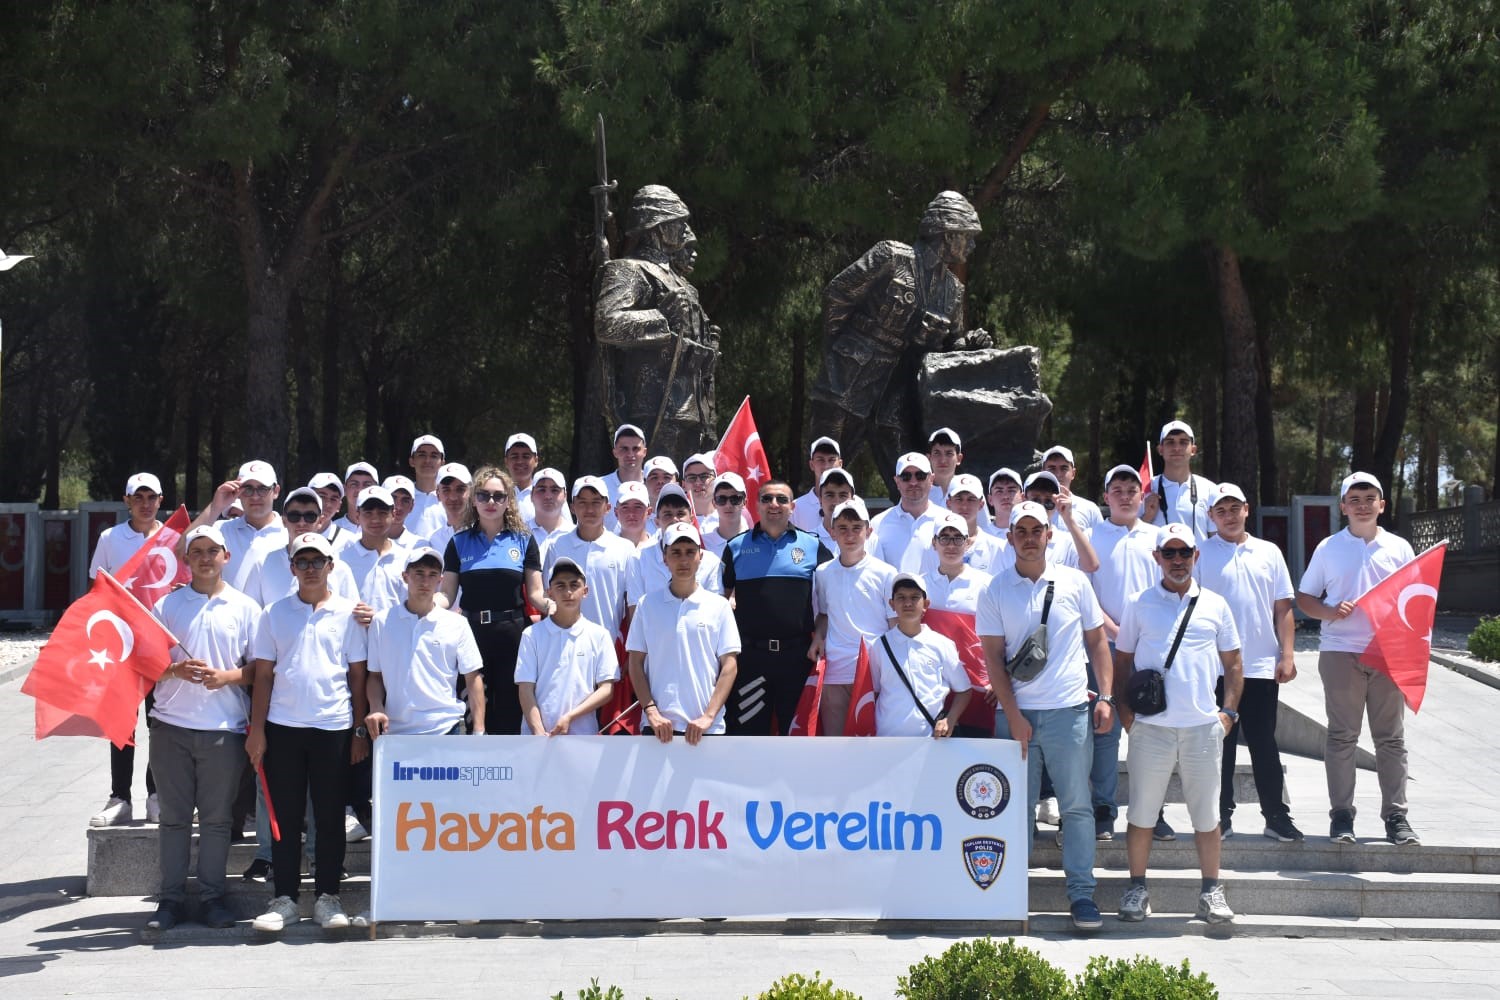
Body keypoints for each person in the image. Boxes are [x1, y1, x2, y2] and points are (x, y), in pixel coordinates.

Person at [979, 501, 1114, 932]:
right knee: (1014, 809)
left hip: (1070, 710)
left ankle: (1081, 895)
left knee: (1076, 806)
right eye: (1022, 531)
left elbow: (1098, 644)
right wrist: (1014, 715)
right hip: (1015, 716)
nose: (1031, 537)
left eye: (1038, 529)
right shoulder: (994, 589)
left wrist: (1105, 695)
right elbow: (994, 661)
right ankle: (1012, 892)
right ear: (1010, 537)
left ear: (1049, 535)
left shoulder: (1074, 582)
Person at [1112, 524, 1244, 925]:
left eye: (1184, 552)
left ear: (1195, 556)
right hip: (1150, 728)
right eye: (1168, 553)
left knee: (1207, 816)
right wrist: (1126, 717)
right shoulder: (1139, 603)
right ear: (1156, 558)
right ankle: (1137, 888)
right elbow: (1122, 662)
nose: (1177, 561)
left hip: (1203, 728)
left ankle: (1210, 892)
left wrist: (1229, 714)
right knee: (1142, 814)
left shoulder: (1217, 605)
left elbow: (1234, 663)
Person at [809, 191, 990, 476]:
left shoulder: (953, 289)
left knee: (909, 476)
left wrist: (966, 343)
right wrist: (838, 352)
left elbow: (948, 343)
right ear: (946, 233)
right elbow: (838, 294)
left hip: (897, 392)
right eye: (967, 236)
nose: (971, 245)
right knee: (823, 468)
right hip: (849, 377)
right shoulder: (891, 256)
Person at [246, 533, 369, 933]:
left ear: (331, 566)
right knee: (286, 815)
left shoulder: (349, 612)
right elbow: (263, 675)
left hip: (333, 727)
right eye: (303, 561)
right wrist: (258, 730)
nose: (311, 568)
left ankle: (327, 897)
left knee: (331, 817)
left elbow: (357, 677)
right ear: (292, 567)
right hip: (283, 728)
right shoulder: (274, 613)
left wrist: (357, 731)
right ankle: (283, 898)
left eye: (318, 561)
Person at [146, 524, 261, 930]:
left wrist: (228, 677)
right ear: (186, 559)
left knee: (216, 821)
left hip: (223, 730)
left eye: (214, 550)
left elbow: (259, 670)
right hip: (171, 727)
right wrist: (175, 669)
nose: (206, 557)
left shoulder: (246, 608)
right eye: (198, 551)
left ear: (226, 557)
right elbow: (146, 667)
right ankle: (170, 901)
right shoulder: (166, 607)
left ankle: (213, 898)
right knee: (174, 819)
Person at [1295, 472, 1419, 846]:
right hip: (1340, 652)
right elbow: (1305, 598)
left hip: (1388, 651)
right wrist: (1330, 612)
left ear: (1382, 505)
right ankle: (1342, 816)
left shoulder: (1400, 548)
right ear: (1344, 507)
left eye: (1370, 498)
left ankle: (1396, 817)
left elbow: (1415, 598)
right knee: (1342, 736)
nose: (1363, 505)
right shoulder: (1329, 547)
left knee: (1391, 739)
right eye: (1355, 498)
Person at [1199, 482, 1303, 842]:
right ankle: (1220, 815)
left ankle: (1276, 815)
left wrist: (1287, 654)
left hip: (1259, 666)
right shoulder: (1198, 553)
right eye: (1220, 510)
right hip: (1214, 668)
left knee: (1263, 742)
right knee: (1219, 744)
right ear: (1211, 516)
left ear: (1247, 509)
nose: (1228, 516)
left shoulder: (1269, 552)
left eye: (1234, 508)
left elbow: (1283, 608)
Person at [595, 186, 721, 462]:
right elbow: (607, 323)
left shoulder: (684, 283)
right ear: (657, 227)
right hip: (654, 402)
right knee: (655, 483)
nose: (684, 229)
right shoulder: (629, 269)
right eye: (678, 222)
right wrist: (661, 318)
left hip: (693, 404)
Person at [1088, 463, 1168, 842]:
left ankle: (1155, 811)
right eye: (1116, 489)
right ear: (1106, 497)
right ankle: (1103, 808)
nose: (1124, 495)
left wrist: (1139, 634)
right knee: (1105, 733)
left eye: (1131, 489)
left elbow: (1168, 592)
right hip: (1103, 651)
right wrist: (1117, 630)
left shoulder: (1159, 538)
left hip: (1149, 651)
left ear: (1143, 496)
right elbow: (1085, 594)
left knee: (1152, 733)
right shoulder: (1091, 537)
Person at [437, 467, 547, 737]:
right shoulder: (458, 542)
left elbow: (535, 594)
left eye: (499, 496)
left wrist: (552, 607)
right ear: (473, 499)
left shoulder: (523, 540)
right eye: (484, 495)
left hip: (513, 634)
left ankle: (508, 777)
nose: (490, 502)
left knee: (510, 713)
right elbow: (447, 595)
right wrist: (423, 604)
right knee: (475, 716)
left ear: (508, 501)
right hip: (471, 635)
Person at [720, 479, 832, 735]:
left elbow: (831, 600)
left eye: (782, 499)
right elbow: (721, 604)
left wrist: (820, 635)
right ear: (756, 505)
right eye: (767, 498)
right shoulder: (735, 547)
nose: (774, 504)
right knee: (748, 735)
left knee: (796, 738)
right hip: (750, 659)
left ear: (792, 506)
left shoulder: (811, 545)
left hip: (797, 658)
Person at [87, 471, 165, 828]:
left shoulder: (173, 538)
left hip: (160, 646)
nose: (146, 504)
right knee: (122, 724)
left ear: (161, 501)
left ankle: (156, 793)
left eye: (152, 498)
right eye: (139, 497)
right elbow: (97, 590)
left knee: (159, 722)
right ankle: (120, 796)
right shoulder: (110, 537)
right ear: (127, 501)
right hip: (121, 645)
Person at [627, 523, 740, 744]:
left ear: (700, 556)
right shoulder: (646, 605)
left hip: (707, 729)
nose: (684, 560)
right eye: (675, 553)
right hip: (658, 728)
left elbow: (729, 665)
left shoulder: (719, 606)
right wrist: (651, 712)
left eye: (690, 552)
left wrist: (708, 717)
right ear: (664, 558)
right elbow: (635, 663)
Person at [365, 547, 486, 739]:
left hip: (446, 728)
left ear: (440, 580)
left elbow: (473, 678)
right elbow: (375, 676)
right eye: (418, 573)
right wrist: (376, 707)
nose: (425, 581)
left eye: (432, 575)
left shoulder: (457, 623)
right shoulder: (381, 622)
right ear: (405, 577)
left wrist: (479, 730)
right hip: (395, 731)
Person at [811, 499, 898, 735]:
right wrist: (818, 637)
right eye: (843, 528)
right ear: (832, 532)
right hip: (835, 673)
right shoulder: (822, 573)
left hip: (874, 673)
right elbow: (824, 615)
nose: (850, 535)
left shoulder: (887, 573)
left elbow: (894, 626)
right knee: (837, 746)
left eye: (857, 528)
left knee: (873, 745)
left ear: (868, 531)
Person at [516, 558, 619, 736]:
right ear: (549, 593)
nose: (568, 592)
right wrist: (538, 731)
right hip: (536, 737)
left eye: (574, 585)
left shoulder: (599, 635)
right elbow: (525, 688)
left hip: (582, 735)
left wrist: (570, 717)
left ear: (585, 591)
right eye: (560, 586)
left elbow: (606, 689)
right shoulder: (531, 635)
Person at [873, 573, 970, 737]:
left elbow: (964, 690)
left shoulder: (942, 644)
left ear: (926, 604)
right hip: (886, 739)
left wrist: (950, 720)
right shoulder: (879, 645)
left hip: (931, 740)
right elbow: (874, 692)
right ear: (891, 604)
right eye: (901, 597)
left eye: (915, 597)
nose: (908, 603)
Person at [542, 476, 638, 644]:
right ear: (572, 507)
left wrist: (631, 650)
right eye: (582, 502)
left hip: (609, 645)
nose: (589, 509)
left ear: (607, 507)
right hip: (562, 643)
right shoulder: (556, 546)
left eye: (596, 502)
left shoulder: (625, 548)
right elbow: (548, 596)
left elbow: (631, 604)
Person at [241, 488, 361, 607]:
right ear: (283, 521)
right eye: (294, 516)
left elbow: (353, 614)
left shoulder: (339, 568)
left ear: (321, 521)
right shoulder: (263, 564)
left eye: (310, 516)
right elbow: (250, 614)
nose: (302, 523)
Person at [187, 460, 288, 593]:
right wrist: (216, 507)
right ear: (238, 492)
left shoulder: (289, 532)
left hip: (276, 614)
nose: (255, 496)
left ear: (275, 491)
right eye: (248, 489)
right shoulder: (221, 530)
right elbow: (184, 546)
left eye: (263, 489)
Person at [627, 484, 724, 601]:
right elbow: (636, 611)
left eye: (680, 514)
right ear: (656, 521)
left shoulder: (711, 562)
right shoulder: (638, 559)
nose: (674, 519)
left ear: (692, 519)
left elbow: (715, 610)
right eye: (667, 514)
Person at [337, 485, 407, 622]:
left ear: (393, 514)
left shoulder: (407, 559)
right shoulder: (340, 560)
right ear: (357, 515)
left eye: (382, 513)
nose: (375, 520)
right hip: (353, 639)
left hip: (395, 640)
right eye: (368, 513)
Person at [1143, 420, 1216, 543]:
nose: (1176, 448)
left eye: (1183, 442)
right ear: (1160, 449)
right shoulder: (1146, 489)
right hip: (1156, 562)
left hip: (1199, 562)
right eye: (1170, 442)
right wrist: (1146, 517)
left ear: (1193, 450)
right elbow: (1132, 538)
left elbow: (1217, 540)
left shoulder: (1210, 490)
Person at [870, 452, 942, 573]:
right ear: (897, 481)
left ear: (931, 479)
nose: (913, 482)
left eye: (920, 476)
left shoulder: (947, 521)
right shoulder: (877, 524)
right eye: (906, 476)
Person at [1021, 471, 1099, 572]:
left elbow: (1091, 566)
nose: (1041, 507)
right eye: (1035, 500)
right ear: (1023, 499)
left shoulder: (1066, 542)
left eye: (1048, 502)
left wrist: (1068, 518)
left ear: (1056, 502)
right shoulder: (1013, 540)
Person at [1041, 446, 1103, 532]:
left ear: (1073, 473)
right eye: (1052, 468)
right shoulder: (1032, 507)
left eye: (1064, 468)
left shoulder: (1090, 509)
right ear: (1042, 472)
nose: (1058, 474)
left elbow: (1099, 544)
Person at [791, 437, 844, 534]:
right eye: (820, 460)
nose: (826, 466)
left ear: (840, 464)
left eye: (831, 460)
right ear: (811, 465)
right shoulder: (796, 507)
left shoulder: (856, 503)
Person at [601, 423, 647, 532]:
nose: (630, 454)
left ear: (644, 452)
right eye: (624, 449)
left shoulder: (655, 485)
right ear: (615, 452)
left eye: (636, 448)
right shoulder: (600, 486)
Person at [407, 434, 450, 538]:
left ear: (442, 463)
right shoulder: (401, 498)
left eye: (434, 456)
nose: (427, 460)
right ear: (412, 461)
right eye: (422, 455)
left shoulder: (452, 500)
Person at [429, 462, 473, 557]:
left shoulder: (484, 533)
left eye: (460, 489)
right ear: (438, 494)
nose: (453, 497)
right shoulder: (434, 540)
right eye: (446, 490)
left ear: (471, 492)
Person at [702, 472, 750, 558]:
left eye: (735, 499)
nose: (728, 505)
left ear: (745, 502)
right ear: (714, 503)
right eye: (721, 499)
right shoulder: (702, 544)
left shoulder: (756, 541)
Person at [527, 467, 572, 556]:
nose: (548, 496)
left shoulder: (576, 534)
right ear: (531, 495)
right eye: (541, 490)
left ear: (565, 496)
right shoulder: (518, 534)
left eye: (555, 490)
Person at [381, 475, 429, 549]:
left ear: (412, 506)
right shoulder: (362, 542)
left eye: (405, 500)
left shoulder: (419, 546)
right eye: (393, 498)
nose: (398, 506)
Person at [333, 462, 379, 535]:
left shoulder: (385, 529)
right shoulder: (332, 529)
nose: (360, 490)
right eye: (354, 484)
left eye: (367, 485)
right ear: (344, 489)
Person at [308, 473, 349, 548]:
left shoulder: (349, 542)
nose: (328, 504)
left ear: (339, 506)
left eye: (333, 499)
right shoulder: (286, 537)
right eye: (322, 496)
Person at [926, 428, 964, 505]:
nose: (943, 460)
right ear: (928, 458)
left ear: (959, 458)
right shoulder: (918, 491)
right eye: (937, 453)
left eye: (949, 453)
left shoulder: (971, 489)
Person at [981, 468, 1023, 538]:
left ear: (1023, 497)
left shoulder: (1034, 534)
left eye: (1011, 490)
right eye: (999, 491)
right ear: (990, 499)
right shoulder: (981, 537)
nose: (1005, 496)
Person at [614, 480, 654, 548]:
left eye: (638, 507)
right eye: (625, 507)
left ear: (649, 512)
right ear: (616, 513)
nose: (631, 513)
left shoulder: (659, 549)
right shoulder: (605, 549)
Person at [681, 453, 719, 522]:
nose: (698, 482)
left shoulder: (730, 518)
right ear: (683, 485)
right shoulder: (676, 521)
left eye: (704, 476)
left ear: (716, 481)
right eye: (692, 477)